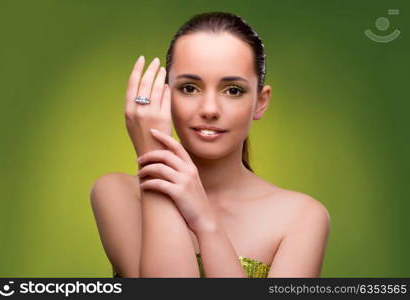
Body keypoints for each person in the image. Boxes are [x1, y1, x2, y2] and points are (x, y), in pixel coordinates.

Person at [90, 11, 330, 278]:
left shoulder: (302, 217)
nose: (210, 109)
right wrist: (154, 155)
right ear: (164, 94)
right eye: (190, 88)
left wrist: (205, 220)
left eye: (233, 90)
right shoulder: (117, 193)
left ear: (260, 102)